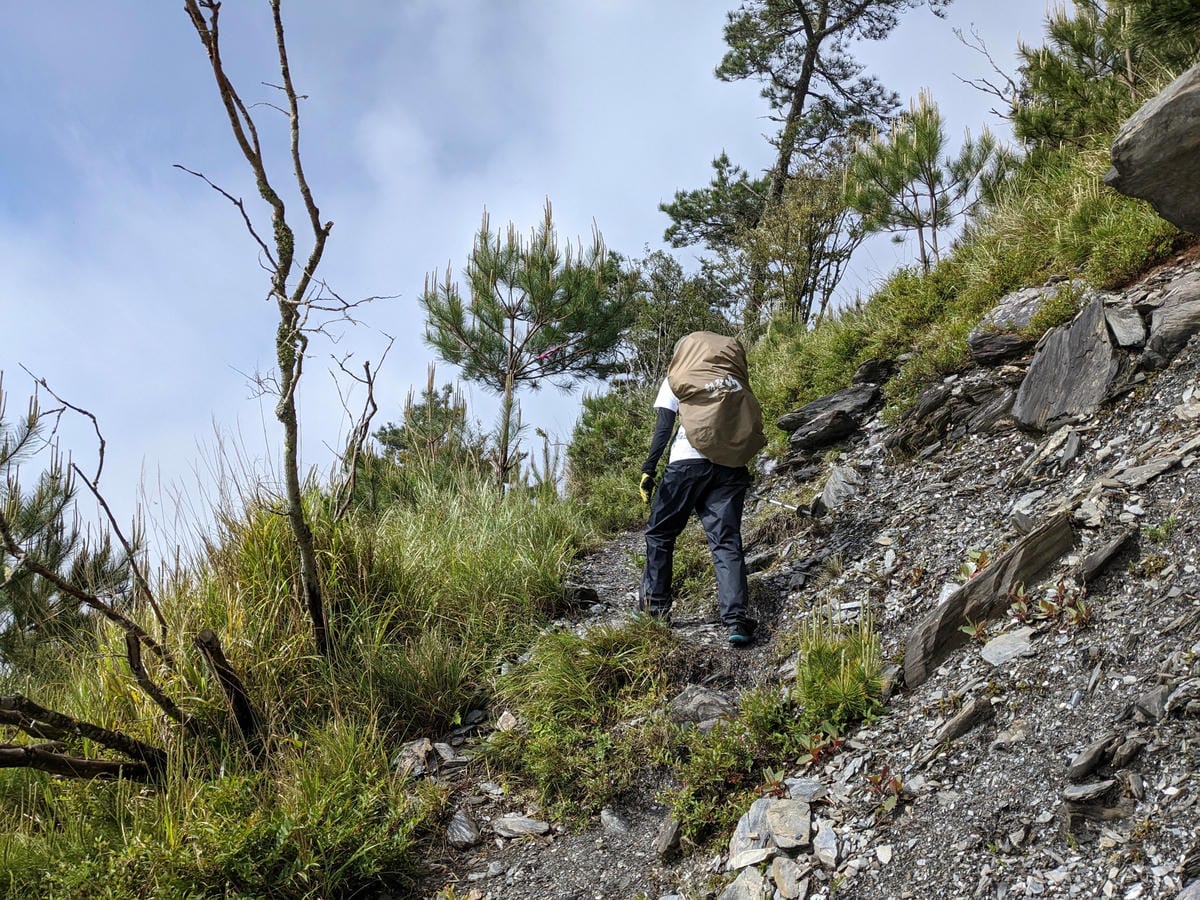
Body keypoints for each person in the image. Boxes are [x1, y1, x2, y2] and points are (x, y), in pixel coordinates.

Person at [636, 332, 764, 645]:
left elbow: (664, 428)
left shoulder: (677, 379)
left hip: (687, 464)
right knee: (726, 541)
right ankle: (735, 620)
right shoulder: (734, 381)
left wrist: (648, 470)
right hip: (730, 468)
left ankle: (655, 612)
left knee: (661, 533)